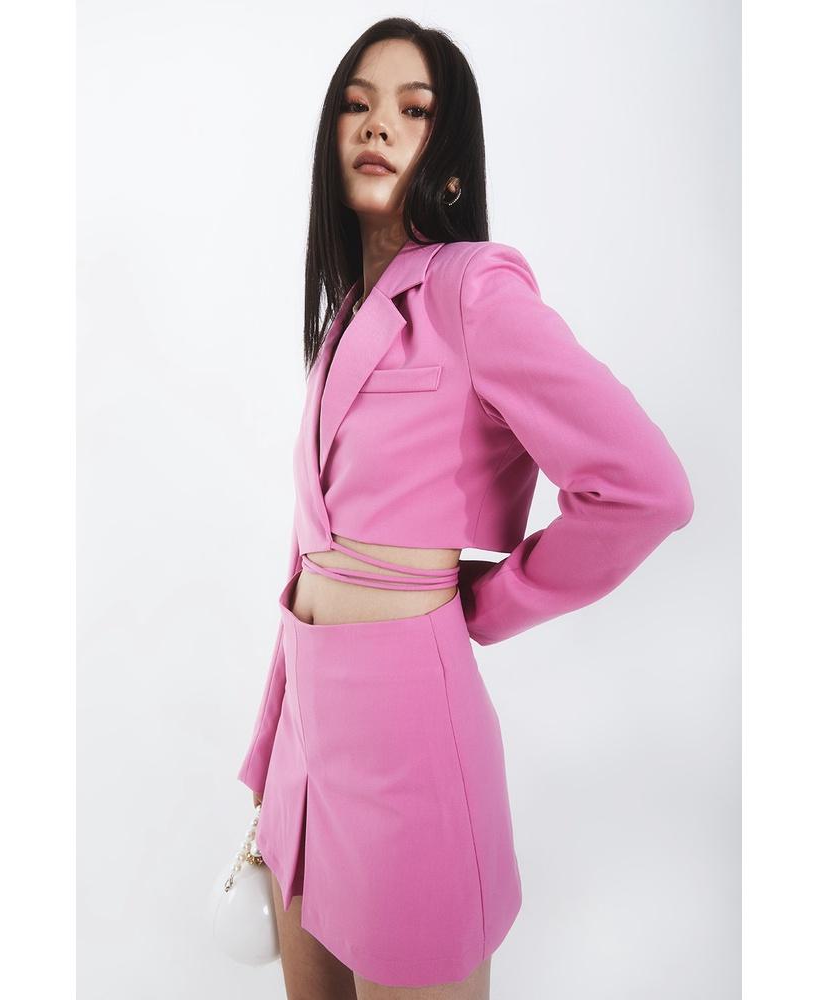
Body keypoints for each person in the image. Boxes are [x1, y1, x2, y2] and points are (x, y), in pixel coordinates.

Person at [235, 17, 694, 1000]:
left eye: (413, 108)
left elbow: (646, 489)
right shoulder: (339, 320)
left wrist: (488, 603)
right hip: (306, 754)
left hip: (411, 748)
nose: (377, 124)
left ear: (446, 156)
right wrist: (268, 757)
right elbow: (305, 553)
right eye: (356, 103)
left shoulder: (472, 292)